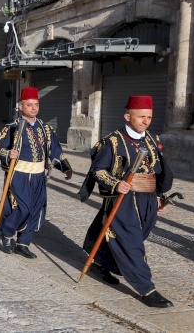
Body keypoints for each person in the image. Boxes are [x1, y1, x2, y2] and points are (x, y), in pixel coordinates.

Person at [79, 95, 175, 308]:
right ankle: (147, 289)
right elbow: (98, 170)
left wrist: (159, 196)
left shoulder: (152, 138)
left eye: (149, 117)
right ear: (127, 116)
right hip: (123, 199)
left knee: (133, 235)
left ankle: (102, 261)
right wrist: (115, 184)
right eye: (141, 116)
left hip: (148, 198)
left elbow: (158, 170)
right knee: (131, 243)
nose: (145, 121)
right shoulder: (112, 141)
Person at [0, 87, 72, 258]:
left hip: (38, 176)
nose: (34, 108)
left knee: (35, 210)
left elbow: (55, 150)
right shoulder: (11, 128)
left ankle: (23, 243)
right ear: (21, 107)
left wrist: (65, 167)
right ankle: (7, 233)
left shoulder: (46, 128)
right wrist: (8, 154)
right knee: (22, 208)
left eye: (36, 104)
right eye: (29, 105)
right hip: (19, 175)